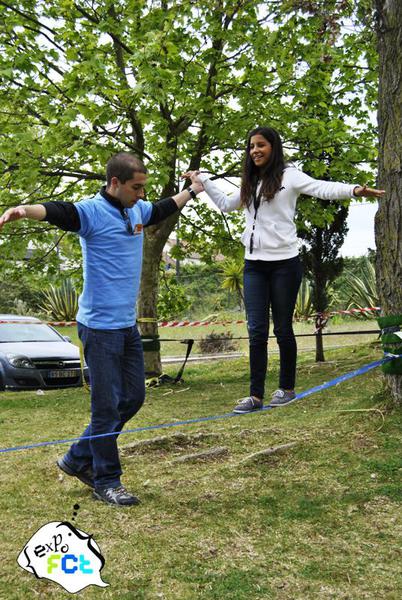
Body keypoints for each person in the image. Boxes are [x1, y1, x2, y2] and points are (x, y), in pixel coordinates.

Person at [0, 152, 203, 506]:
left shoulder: (137, 210)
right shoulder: (92, 212)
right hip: (99, 329)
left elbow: (163, 207)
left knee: (134, 398)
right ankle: (107, 480)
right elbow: (57, 210)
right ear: (115, 183)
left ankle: (77, 457)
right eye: (136, 187)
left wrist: (193, 190)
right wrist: (24, 210)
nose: (141, 194)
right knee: (105, 408)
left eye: (143, 188)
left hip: (126, 327)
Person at [183, 126, 385, 414]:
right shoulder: (249, 181)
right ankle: (255, 396)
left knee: (282, 328)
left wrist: (354, 190)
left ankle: (286, 388)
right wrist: (202, 179)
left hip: (284, 265)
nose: (255, 150)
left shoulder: (289, 176)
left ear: (273, 147)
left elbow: (320, 188)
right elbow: (227, 205)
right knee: (256, 331)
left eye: (261, 145)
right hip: (254, 265)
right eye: (251, 146)